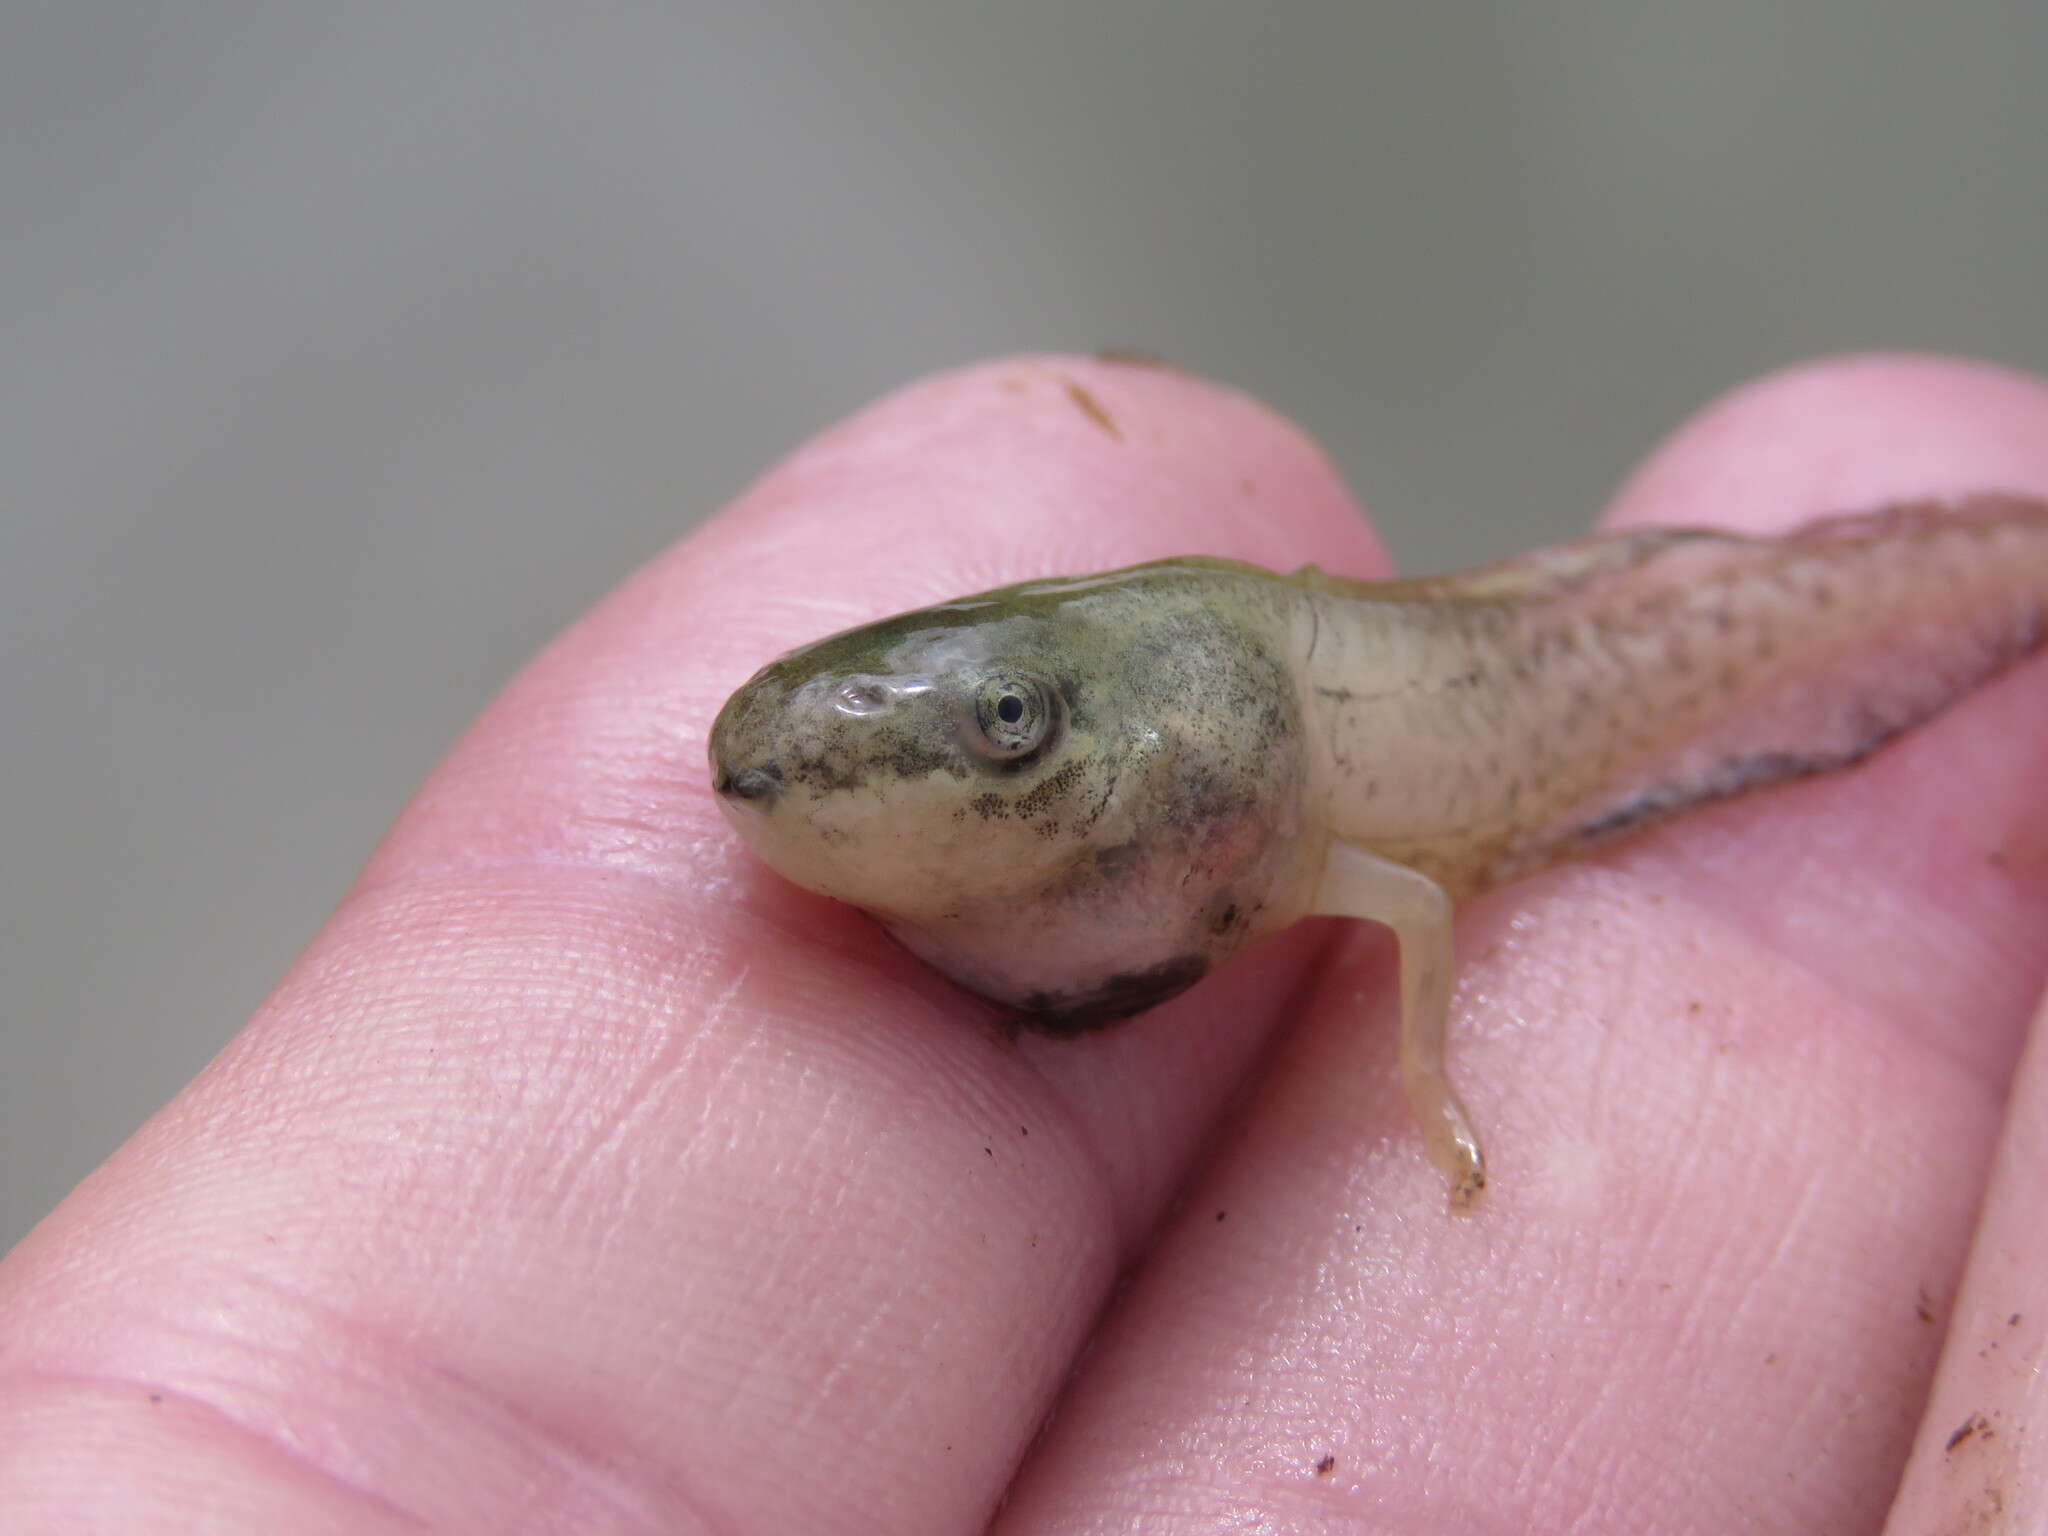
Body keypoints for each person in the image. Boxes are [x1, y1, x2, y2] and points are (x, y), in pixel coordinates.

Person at [2, 353, 2045, 1532]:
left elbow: (1411, 893)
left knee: (1708, 632)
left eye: (1008, 735)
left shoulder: (1272, 791)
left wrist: (1425, 1089)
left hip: (1472, 686)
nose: (989, 757)